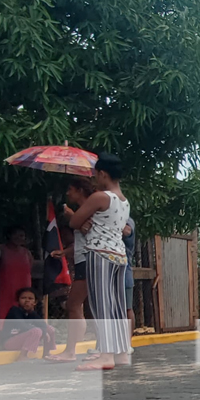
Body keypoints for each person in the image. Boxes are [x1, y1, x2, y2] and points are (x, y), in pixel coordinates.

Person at [67, 154, 131, 370]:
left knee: (102, 305)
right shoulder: (124, 201)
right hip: (119, 256)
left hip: (99, 253)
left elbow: (75, 222)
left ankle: (106, 355)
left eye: (96, 174)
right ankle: (121, 352)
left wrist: (79, 215)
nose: (95, 179)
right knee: (117, 306)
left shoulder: (100, 197)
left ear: (103, 173)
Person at [47, 179, 93, 362]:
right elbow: (83, 239)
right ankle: (75, 348)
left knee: (74, 304)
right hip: (85, 259)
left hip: (89, 260)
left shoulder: (91, 208)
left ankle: (71, 351)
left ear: (80, 190)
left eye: (70, 189)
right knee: (78, 305)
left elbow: (92, 231)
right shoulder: (87, 209)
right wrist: (65, 252)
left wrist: (72, 216)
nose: (68, 194)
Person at [0, 225, 35, 332]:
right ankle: (0, 332)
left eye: (22, 236)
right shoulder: (0, 249)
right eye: (16, 235)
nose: (19, 238)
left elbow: (30, 266)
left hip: (23, 287)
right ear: (9, 235)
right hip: (5, 287)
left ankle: (25, 331)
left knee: (23, 306)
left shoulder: (26, 252)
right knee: (4, 308)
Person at [3, 288, 56, 357]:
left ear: (35, 302)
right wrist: (43, 332)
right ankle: (23, 356)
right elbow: (23, 326)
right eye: (23, 298)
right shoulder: (15, 310)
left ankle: (47, 353)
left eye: (30, 298)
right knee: (36, 331)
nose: (27, 300)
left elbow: (43, 325)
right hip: (10, 342)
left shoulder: (32, 313)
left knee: (50, 328)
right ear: (18, 300)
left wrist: (45, 330)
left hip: (24, 340)